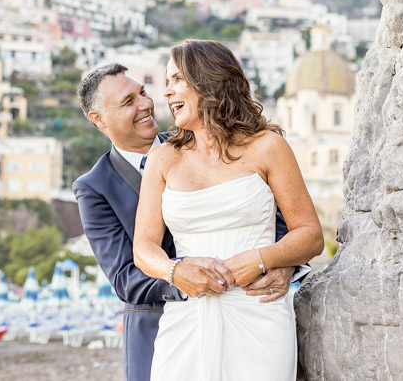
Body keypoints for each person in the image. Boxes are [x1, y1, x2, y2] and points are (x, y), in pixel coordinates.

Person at [73, 62, 306, 381]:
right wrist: (184, 277)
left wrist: (283, 265)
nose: (145, 104)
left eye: (142, 92)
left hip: (252, 309)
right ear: (97, 119)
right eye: (128, 101)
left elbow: (273, 218)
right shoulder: (93, 187)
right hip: (159, 331)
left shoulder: (201, 140)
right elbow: (125, 277)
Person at [132, 40, 324, 380]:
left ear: (208, 80)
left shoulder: (268, 147)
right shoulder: (162, 158)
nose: (167, 92)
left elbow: (310, 236)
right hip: (186, 318)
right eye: (166, 82)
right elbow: (144, 249)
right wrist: (175, 272)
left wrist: (261, 259)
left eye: (176, 80)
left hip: (258, 313)